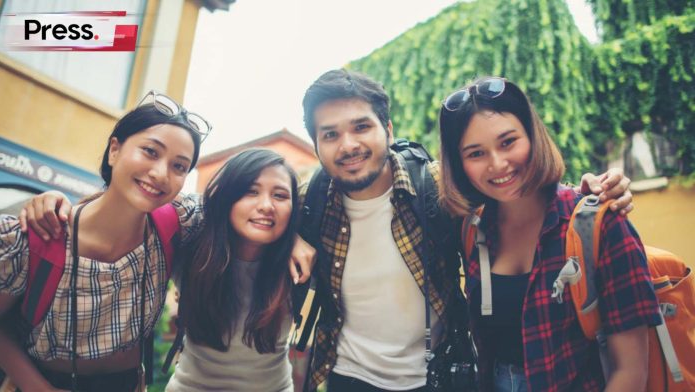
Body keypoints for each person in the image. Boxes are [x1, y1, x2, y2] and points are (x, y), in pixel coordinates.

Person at [295, 69, 635, 392]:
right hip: (348, 378)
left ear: (388, 129)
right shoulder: (308, 202)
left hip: (439, 376)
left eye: (361, 127)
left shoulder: (437, 187)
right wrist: (291, 239)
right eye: (330, 134)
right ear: (316, 144)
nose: (348, 145)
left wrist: (589, 192)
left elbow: (515, 191)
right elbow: (254, 223)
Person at [437, 77, 661, 391]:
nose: (498, 164)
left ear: (532, 135)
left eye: (508, 142)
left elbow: (630, 372)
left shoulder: (599, 224)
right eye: (476, 154)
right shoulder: (471, 230)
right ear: (459, 164)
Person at [0, 90, 208, 392]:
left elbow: (241, 207)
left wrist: (297, 239)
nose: (161, 173)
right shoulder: (37, 235)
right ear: (114, 150)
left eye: (179, 166)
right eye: (150, 151)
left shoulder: (177, 222)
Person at [165, 148, 300, 392]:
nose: (266, 206)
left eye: (280, 195)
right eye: (251, 191)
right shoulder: (191, 248)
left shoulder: (298, 263)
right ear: (227, 196)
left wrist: (300, 239)